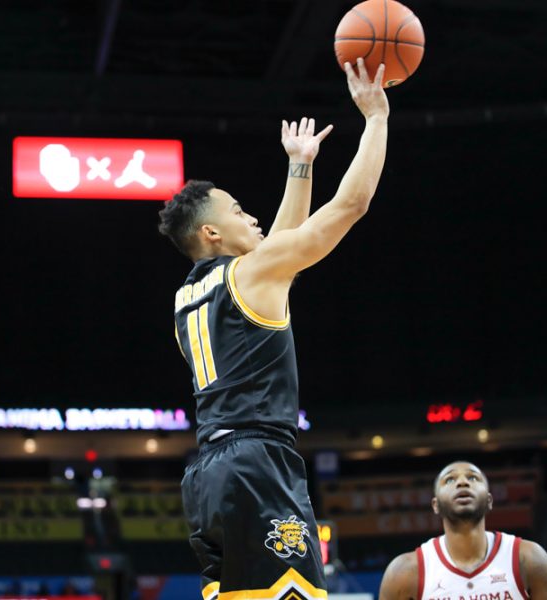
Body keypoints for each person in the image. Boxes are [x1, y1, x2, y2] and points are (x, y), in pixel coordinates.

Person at [156, 57, 390, 600]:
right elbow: (351, 205)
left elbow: (281, 253)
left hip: (210, 475)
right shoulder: (251, 272)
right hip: (256, 464)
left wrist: (300, 167)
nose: (252, 217)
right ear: (212, 231)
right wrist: (375, 117)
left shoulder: (188, 296)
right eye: (239, 210)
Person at [378, 461, 547, 600]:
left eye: (472, 477)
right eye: (450, 480)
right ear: (435, 505)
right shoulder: (405, 572)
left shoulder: (527, 557)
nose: (462, 482)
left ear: (489, 501)